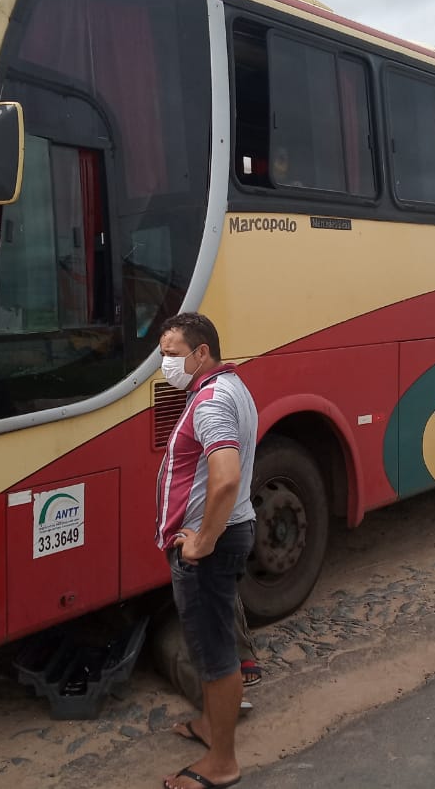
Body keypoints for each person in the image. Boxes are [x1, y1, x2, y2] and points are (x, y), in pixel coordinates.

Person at [155, 312, 257, 789]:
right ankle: (207, 728)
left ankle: (222, 763)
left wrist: (203, 540)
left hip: (212, 545)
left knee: (215, 655)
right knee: (212, 646)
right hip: (231, 531)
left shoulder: (210, 402)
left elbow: (227, 477)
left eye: (172, 355)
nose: (165, 364)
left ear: (201, 353)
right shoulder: (230, 386)